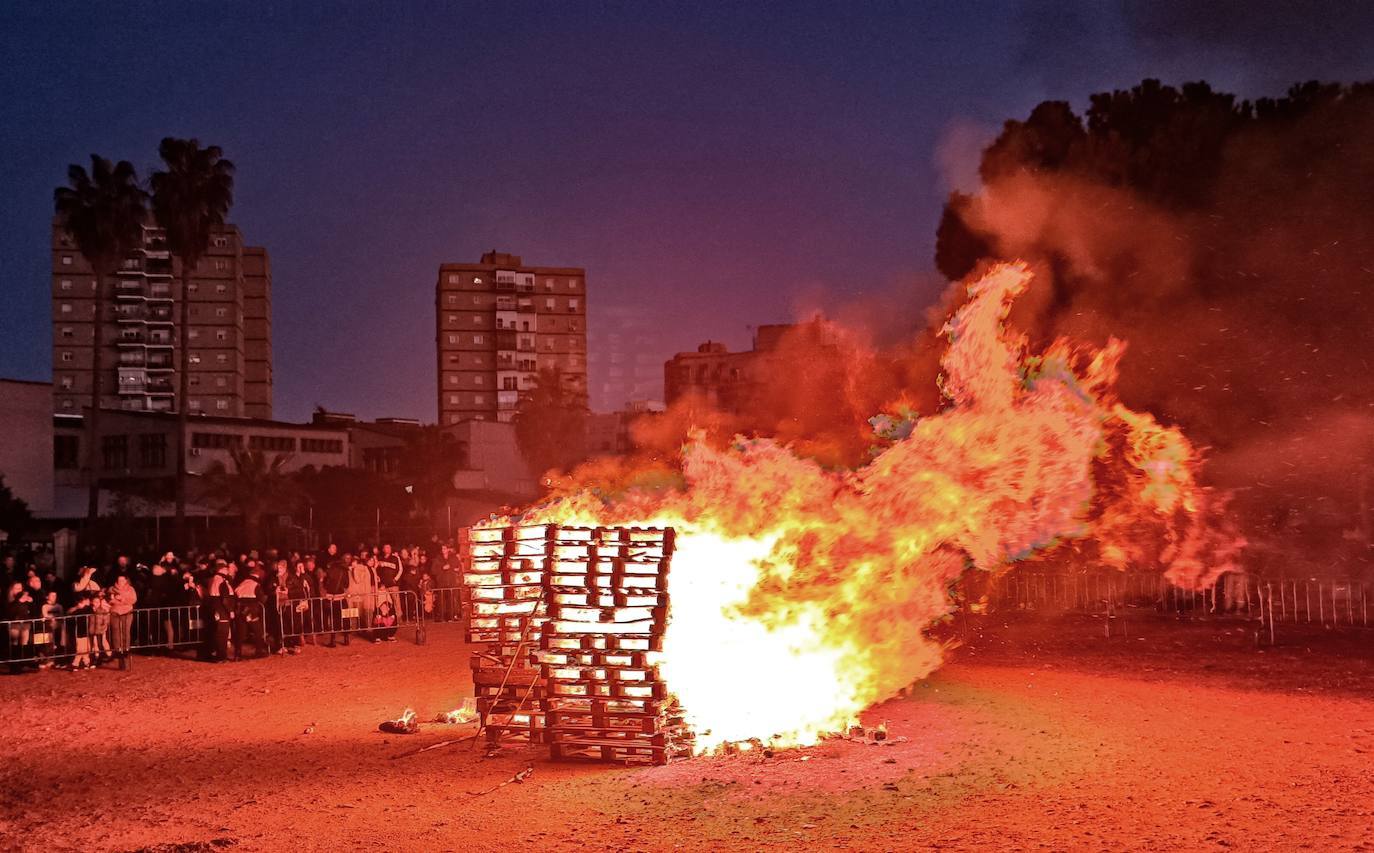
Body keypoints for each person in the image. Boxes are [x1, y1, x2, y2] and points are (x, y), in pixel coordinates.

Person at [107, 574, 137, 658]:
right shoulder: (111, 589)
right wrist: (115, 600)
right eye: (119, 580)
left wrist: (122, 599)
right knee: (115, 631)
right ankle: (117, 649)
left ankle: (126, 649)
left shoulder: (130, 589)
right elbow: (108, 600)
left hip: (127, 612)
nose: (121, 582)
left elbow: (133, 600)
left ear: (126, 581)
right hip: (115, 612)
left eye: (122, 580)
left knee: (126, 631)